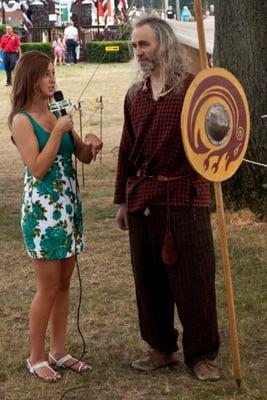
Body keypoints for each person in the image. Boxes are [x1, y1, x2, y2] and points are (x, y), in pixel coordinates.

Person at [114, 16, 220, 381]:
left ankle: (202, 355)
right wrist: (122, 201)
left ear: (164, 44)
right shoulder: (135, 96)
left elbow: (215, 139)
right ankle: (161, 348)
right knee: (149, 282)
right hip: (143, 200)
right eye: (134, 46)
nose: (138, 52)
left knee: (194, 281)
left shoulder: (193, 90)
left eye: (144, 44)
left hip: (184, 198)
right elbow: (126, 151)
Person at [8, 50, 103, 382]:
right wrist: (58, 131)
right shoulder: (21, 120)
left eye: (53, 73)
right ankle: (35, 357)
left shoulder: (57, 109)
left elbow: (81, 155)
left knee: (64, 285)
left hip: (68, 209)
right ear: (31, 79)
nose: (53, 79)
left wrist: (91, 146)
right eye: (46, 74)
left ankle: (59, 351)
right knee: (47, 287)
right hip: (43, 214)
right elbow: (37, 167)